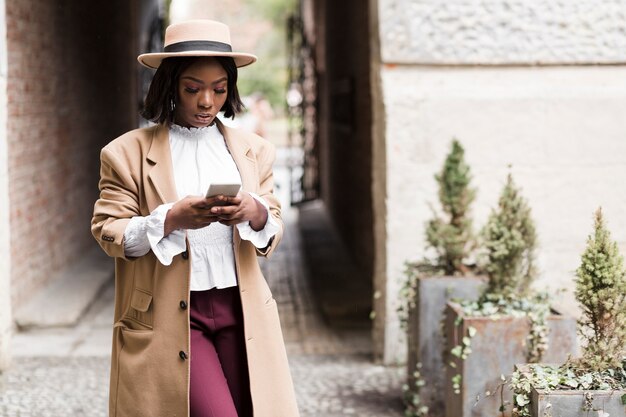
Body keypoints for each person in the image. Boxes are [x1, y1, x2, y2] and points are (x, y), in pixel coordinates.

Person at [91, 19, 299, 417]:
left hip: (244, 309)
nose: (207, 101)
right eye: (193, 88)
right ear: (170, 86)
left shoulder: (254, 150)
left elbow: (271, 224)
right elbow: (108, 232)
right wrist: (170, 219)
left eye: (219, 89)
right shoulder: (124, 153)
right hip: (171, 315)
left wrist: (252, 211)